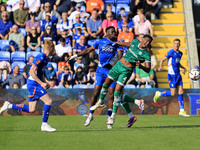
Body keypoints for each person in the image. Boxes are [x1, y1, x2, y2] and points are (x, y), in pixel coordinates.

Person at [90, 35, 153, 128]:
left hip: (126, 71)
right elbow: (126, 44)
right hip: (118, 66)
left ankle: (112, 117)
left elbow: (148, 69)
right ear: (142, 39)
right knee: (106, 85)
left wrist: (141, 66)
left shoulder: (146, 54)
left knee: (117, 93)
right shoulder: (135, 42)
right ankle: (101, 102)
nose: (146, 43)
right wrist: (117, 43)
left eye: (149, 42)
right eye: (146, 40)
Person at [68, 26, 123, 129]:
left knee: (111, 95)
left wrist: (116, 63)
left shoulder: (117, 43)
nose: (114, 34)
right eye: (112, 32)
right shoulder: (100, 42)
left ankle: (109, 119)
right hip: (100, 71)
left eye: (115, 32)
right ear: (107, 33)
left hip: (111, 71)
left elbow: (120, 56)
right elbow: (89, 49)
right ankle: (90, 114)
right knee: (96, 92)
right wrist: (76, 55)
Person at [0, 40, 57, 132]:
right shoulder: (40, 57)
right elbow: (31, 72)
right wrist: (41, 83)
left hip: (34, 83)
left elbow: (39, 72)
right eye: (53, 49)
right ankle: (44, 125)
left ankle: (9, 106)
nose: (54, 50)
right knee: (49, 101)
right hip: (33, 83)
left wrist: (45, 82)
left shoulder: (46, 58)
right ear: (50, 49)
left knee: (31, 109)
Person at [153, 38, 189, 117]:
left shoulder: (180, 53)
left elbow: (177, 63)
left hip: (178, 75)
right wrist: (160, 67)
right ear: (173, 44)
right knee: (173, 93)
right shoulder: (170, 52)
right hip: (172, 75)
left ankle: (182, 110)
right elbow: (162, 59)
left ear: (179, 44)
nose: (176, 44)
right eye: (175, 43)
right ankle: (159, 93)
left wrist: (184, 68)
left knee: (181, 92)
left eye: (177, 43)